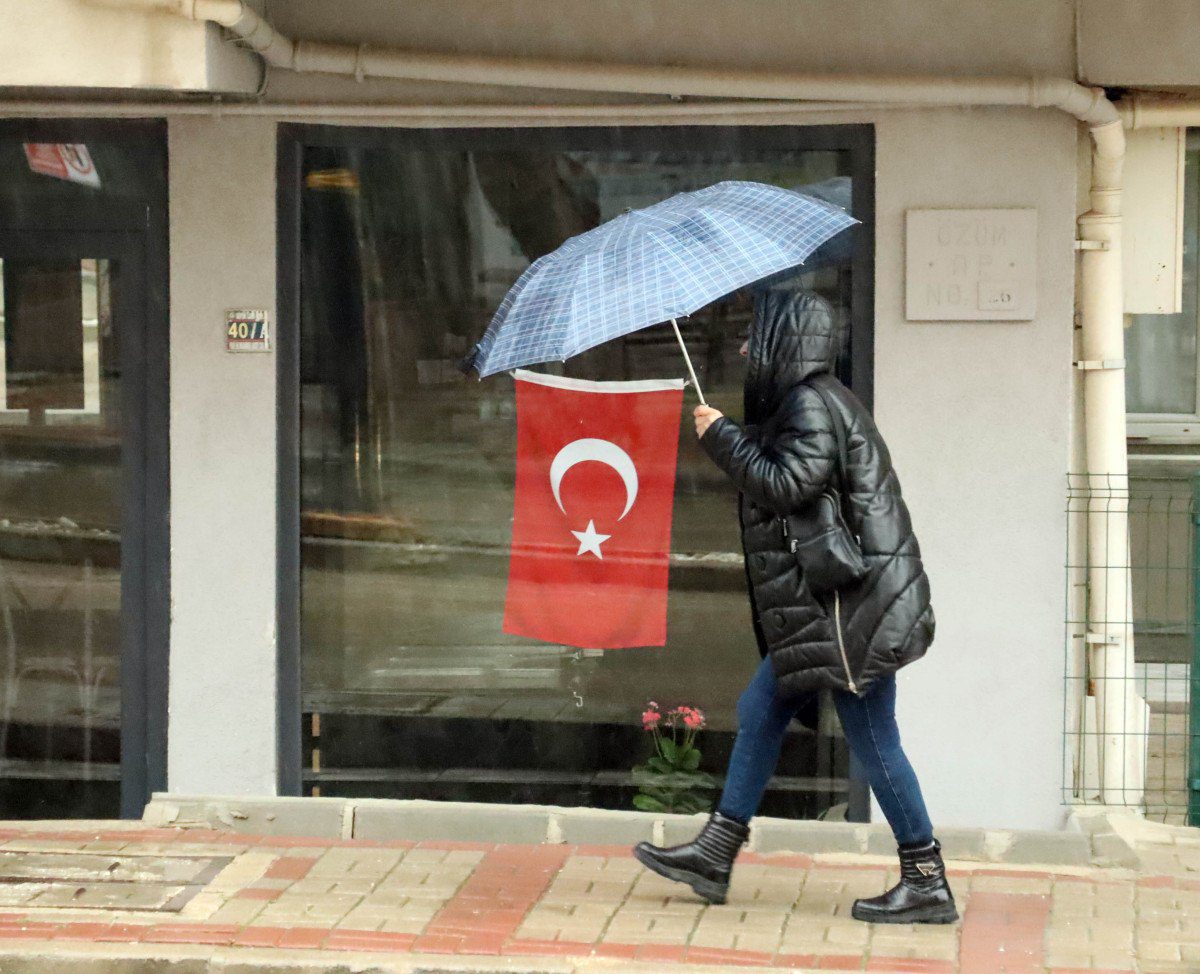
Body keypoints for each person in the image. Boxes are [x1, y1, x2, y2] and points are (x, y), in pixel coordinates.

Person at [632, 288, 956, 925]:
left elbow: (789, 485)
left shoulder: (810, 402)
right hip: (830, 608)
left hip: (847, 613)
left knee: (873, 739)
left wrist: (723, 438)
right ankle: (715, 854)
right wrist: (741, 436)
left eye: (755, 337)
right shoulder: (811, 401)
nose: (744, 349)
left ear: (784, 341)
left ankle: (926, 880)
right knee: (761, 708)